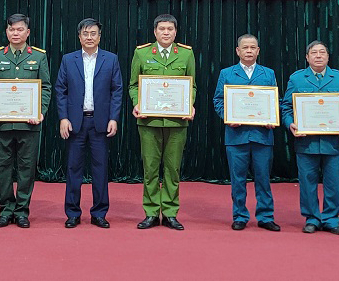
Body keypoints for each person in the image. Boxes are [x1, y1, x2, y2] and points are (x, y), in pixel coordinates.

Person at [128, 14, 196, 231]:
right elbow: (133, 85)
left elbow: (192, 86)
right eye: (162, 29)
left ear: (175, 32)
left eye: (170, 29)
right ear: (155, 32)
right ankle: (150, 212)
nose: (166, 32)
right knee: (150, 169)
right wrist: (137, 103)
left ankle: (169, 213)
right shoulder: (142, 53)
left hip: (177, 122)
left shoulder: (186, 54)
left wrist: (190, 104)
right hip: (149, 122)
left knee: (172, 169)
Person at [281, 40, 339, 235]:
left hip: (333, 142)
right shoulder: (297, 79)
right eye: (314, 53)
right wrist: (290, 124)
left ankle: (331, 219)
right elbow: (286, 107)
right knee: (307, 182)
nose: (319, 55)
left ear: (328, 57)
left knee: (333, 183)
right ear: (307, 57)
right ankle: (312, 218)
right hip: (306, 142)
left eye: (322, 52)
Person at [55, 18, 123, 229]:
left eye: (93, 33)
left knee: (100, 170)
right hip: (75, 123)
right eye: (85, 33)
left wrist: (114, 118)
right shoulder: (68, 59)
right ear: (79, 37)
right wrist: (63, 118)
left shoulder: (111, 59)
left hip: (100, 122)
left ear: (99, 37)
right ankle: (73, 213)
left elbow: (117, 90)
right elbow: (60, 90)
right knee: (73, 168)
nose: (89, 37)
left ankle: (99, 213)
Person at [0, 14, 51, 228]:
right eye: (12, 29)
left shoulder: (39, 57)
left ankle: (22, 210)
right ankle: (5, 210)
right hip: (2, 124)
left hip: (29, 124)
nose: (15, 33)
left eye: (20, 29)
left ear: (27, 32)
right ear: (6, 32)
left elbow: (46, 87)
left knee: (26, 169)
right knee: (2, 168)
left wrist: (40, 112)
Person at [212, 34, 280, 232]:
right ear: (238, 51)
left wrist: (272, 117)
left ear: (258, 51)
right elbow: (218, 100)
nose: (249, 51)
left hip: (262, 136)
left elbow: (275, 100)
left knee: (263, 179)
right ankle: (240, 215)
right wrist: (227, 117)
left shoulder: (268, 73)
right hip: (236, 136)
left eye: (252, 47)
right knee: (238, 180)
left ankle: (266, 216)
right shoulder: (227, 73)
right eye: (245, 47)